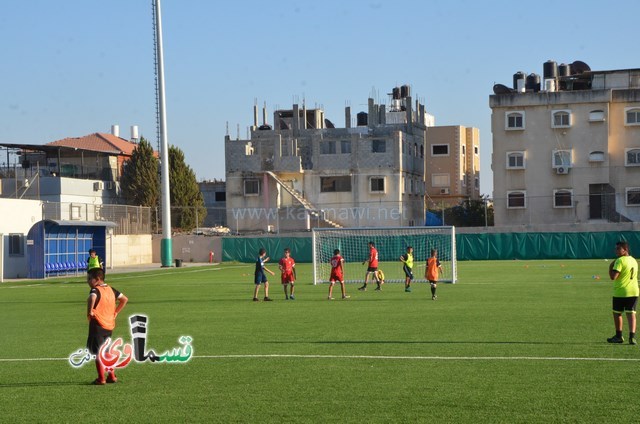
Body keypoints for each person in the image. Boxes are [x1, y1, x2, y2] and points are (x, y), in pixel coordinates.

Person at [86, 268, 128, 385]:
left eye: (90, 279)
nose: (88, 281)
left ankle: (101, 378)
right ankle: (112, 376)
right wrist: (115, 312)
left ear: (98, 279)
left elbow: (92, 297)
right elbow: (124, 299)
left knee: (98, 352)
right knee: (106, 351)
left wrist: (90, 311)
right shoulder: (111, 289)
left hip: (98, 324)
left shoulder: (95, 290)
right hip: (109, 325)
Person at [606, 241, 638, 345]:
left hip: (621, 292)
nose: (616, 251)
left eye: (618, 249)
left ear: (625, 249)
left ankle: (619, 336)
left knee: (617, 313)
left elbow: (613, 277)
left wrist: (610, 266)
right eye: (616, 248)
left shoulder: (619, 261)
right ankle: (632, 338)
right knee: (631, 314)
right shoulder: (634, 260)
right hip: (634, 291)